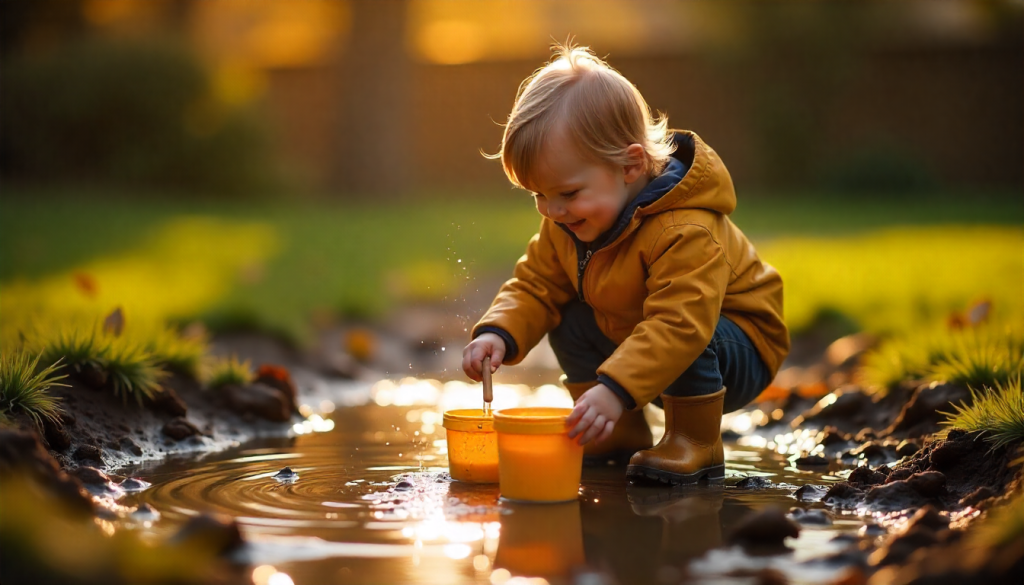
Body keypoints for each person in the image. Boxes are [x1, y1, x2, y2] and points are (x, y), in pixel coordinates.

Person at [461, 43, 790, 485]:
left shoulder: (683, 228)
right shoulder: (568, 223)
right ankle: (614, 432)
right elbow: (535, 284)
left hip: (738, 344)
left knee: (689, 327)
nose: (551, 211)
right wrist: (498, 331)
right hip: (644, 333)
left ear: (631, 165)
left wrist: (614, 390)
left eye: (568, 193)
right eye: (538, 194)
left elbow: (680, 324)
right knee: (569, 315)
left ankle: (695, 442)